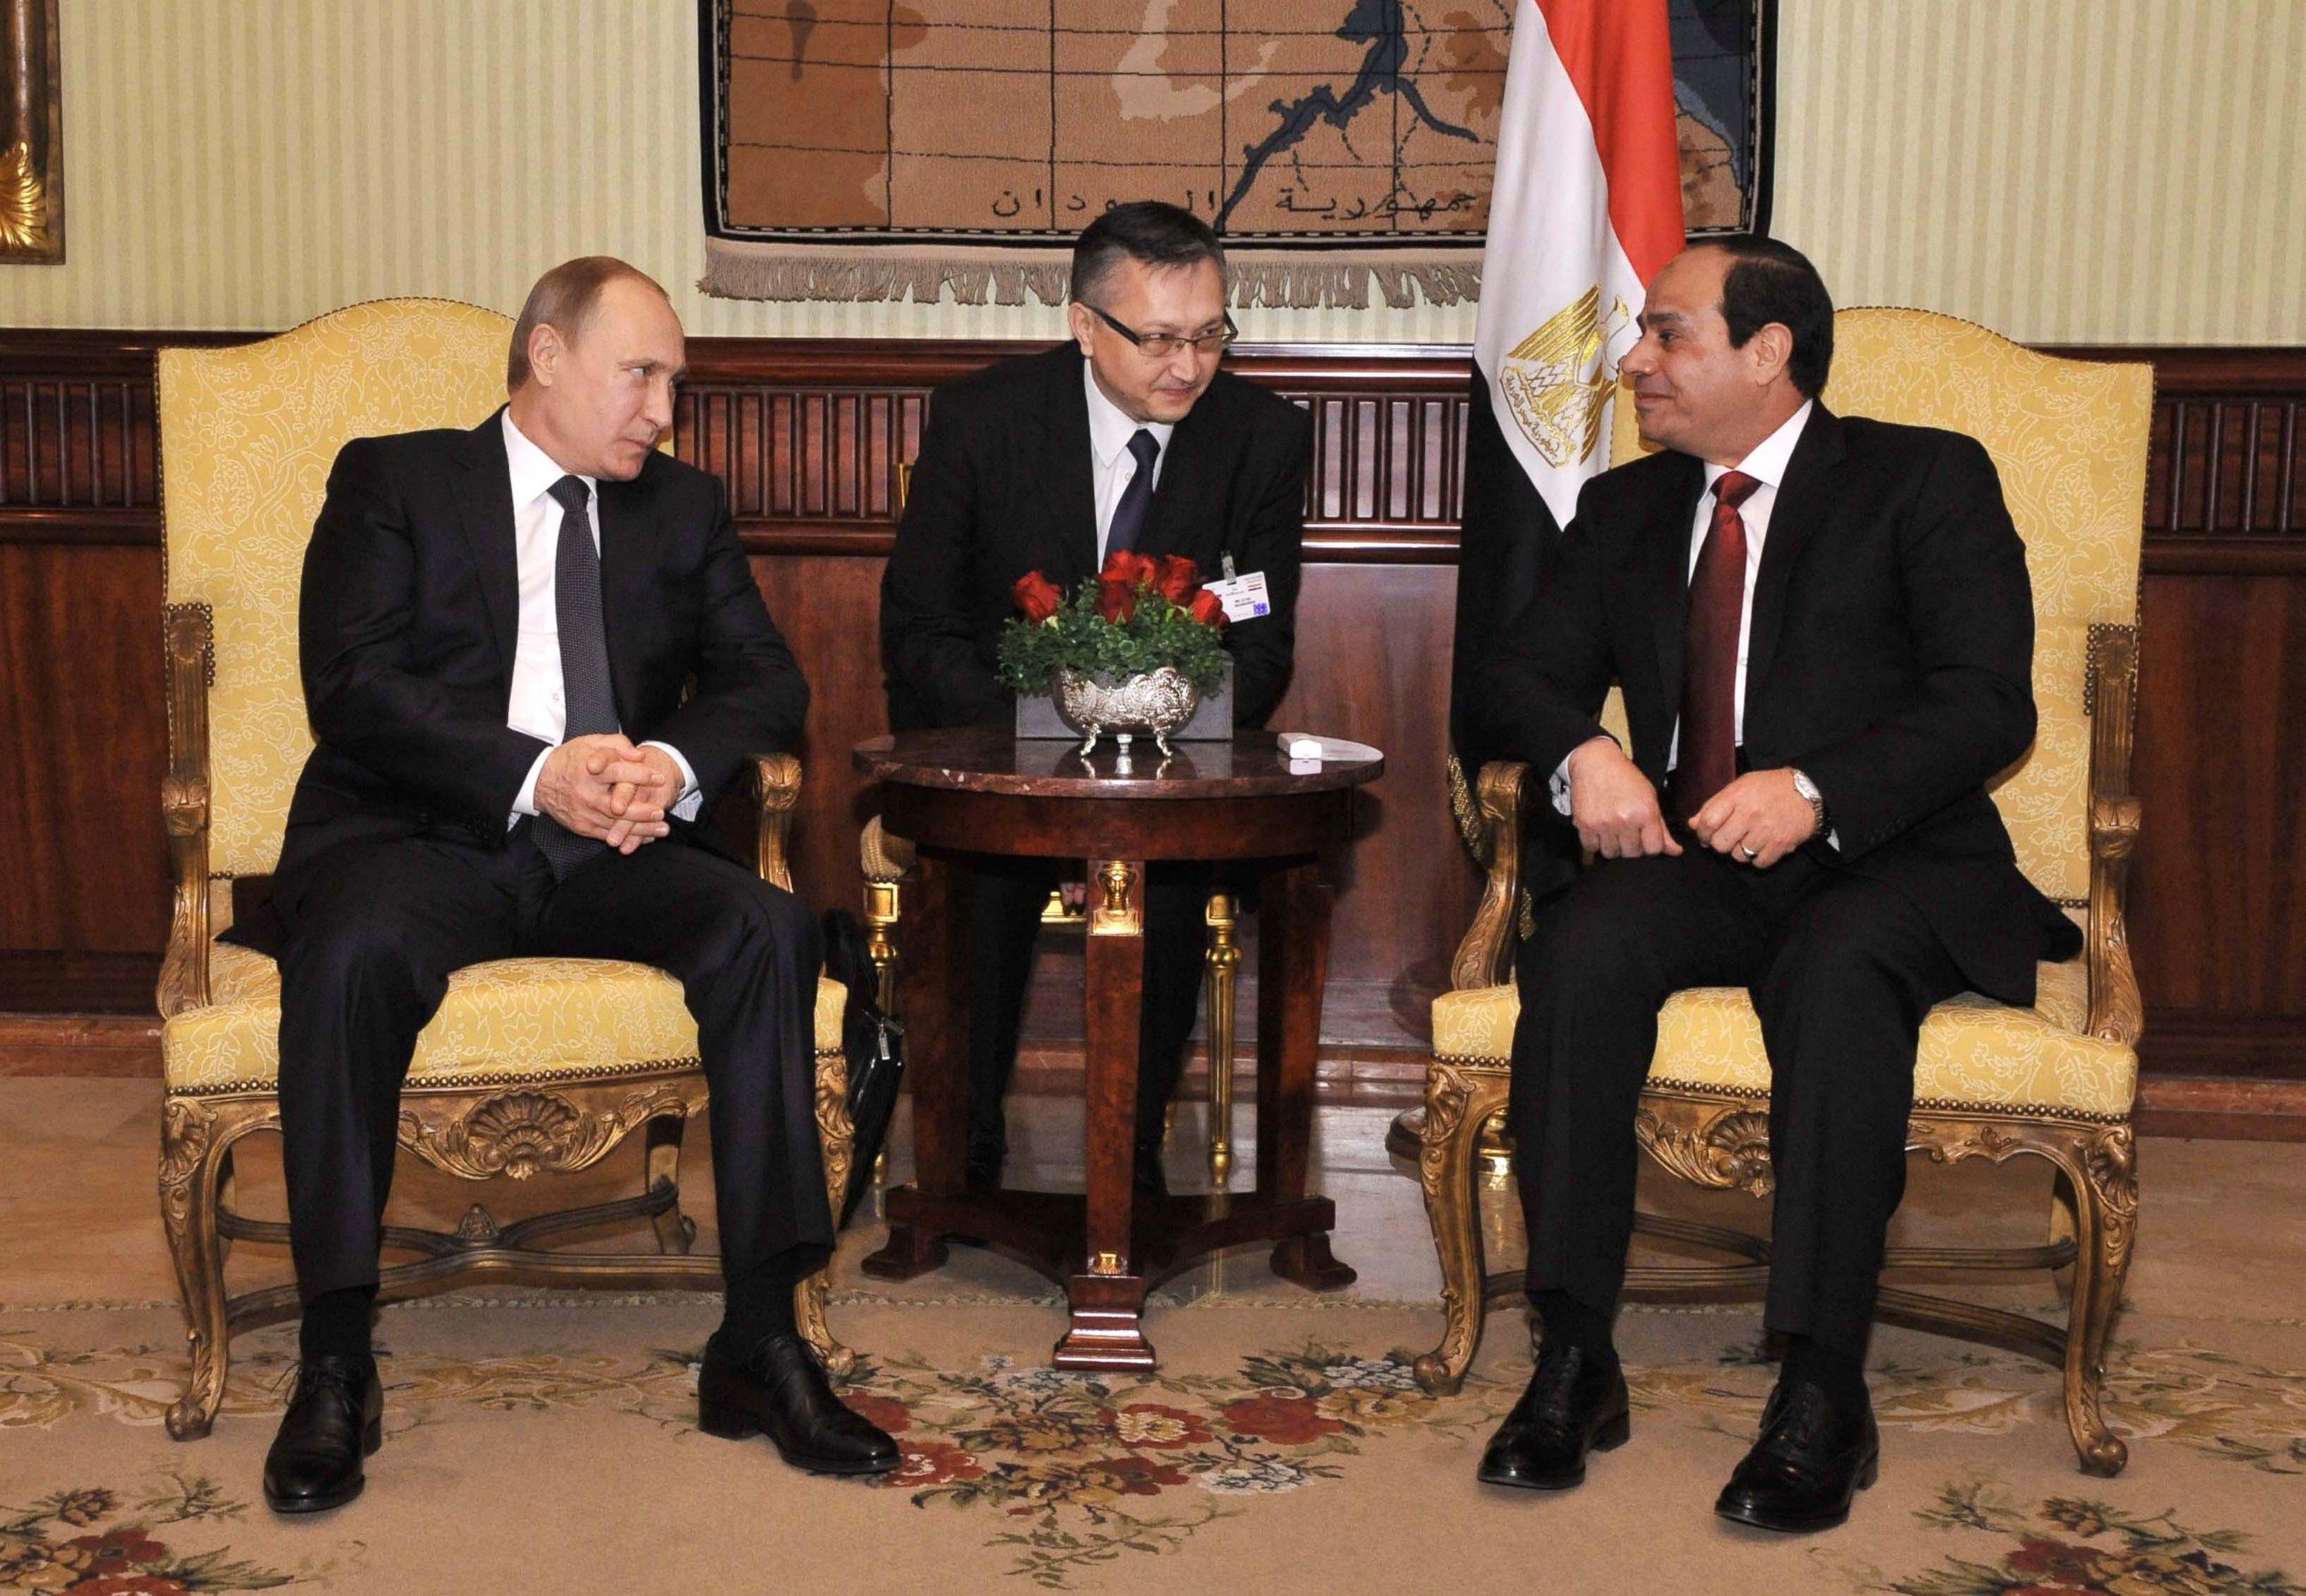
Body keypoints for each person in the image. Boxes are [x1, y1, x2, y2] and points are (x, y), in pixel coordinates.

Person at [238, 257, 898, 1514]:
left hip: (621, 850)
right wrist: (537, 774)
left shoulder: (683, 507)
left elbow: (766, 682)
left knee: (764, 927)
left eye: (675, 383)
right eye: (640, 374)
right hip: (422, 839)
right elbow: (357, 687)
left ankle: (760, 1343)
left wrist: (663, 762)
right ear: (547, 358)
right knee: (354, 949)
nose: (664, 409)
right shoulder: (399, 479)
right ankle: (336, 1359)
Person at [1471, 238, 2079, 1532]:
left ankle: (1821, 1383)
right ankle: (1575, 1353)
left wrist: (1817, 789)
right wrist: (1586, 751)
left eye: (1670, 334)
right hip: (1706, 862)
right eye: (1644, 335)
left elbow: (1987, 704)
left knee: (1841, 963)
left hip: (1893, 860)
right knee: (1578, 950)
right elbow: (1512, 677)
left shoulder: (1923, 479)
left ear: (1768, 351)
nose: (1637, 360)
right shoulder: (1632, 509)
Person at [880, 201, 1312, 1196]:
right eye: (1160, 338)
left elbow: (1259, 641)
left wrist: (1119, 793)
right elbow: (922, 631)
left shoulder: (1262, 439)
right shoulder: (983, 421)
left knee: (1158, 881)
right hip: (998, 766)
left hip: (1172, 775)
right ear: (1085, 326)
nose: (1189, 365)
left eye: (1210, 335)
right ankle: (964, 1155)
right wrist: (1053, 777)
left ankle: (1132, 1150)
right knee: (980, 884)